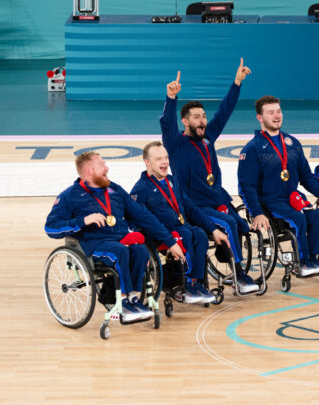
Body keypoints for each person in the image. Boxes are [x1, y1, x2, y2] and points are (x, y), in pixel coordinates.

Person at [45, 152, 185, 322]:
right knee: (120, 251)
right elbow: (51, 227)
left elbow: (143, 216)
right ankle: (123, 302)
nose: (107, 168)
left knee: (140, 250)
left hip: (119, 240)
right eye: (102, 166)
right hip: (94, 245)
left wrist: (169, 242)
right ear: (89, 171)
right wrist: (83, 220)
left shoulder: (115, 190)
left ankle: (133, 298)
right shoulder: (69, 196)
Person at [160, 59, 255, 288]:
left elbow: (224, 112)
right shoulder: (175, 143)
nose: (202, 120)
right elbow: (166, 123)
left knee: (239, 223)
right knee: (229, 223)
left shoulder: (208, 137)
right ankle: (238, 274)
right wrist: (171, 98)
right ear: (185, 121)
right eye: (197, 117)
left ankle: (228, 257)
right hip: (196, 207)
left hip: (215, 200)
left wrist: (237, 83)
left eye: (203, 116)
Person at [238, 95, 319, 276]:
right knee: (298, 219)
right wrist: (257, 212)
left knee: (315, 215)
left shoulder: (292, 143)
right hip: (270, 201)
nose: (276, 116)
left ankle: (313, 259)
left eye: (278, 111)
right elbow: (246, 187)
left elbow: (306, 175)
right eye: (270, 113)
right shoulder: (252, 149)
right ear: (259, 117)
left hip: (292, 197)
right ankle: (303, 262)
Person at [130, 142, 239, 302]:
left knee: (200, 234)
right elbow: (141, 221)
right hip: (161, 235)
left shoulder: (172, 182)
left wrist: (213, 229)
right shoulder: (140, 190)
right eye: (159, 159)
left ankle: (196, 282)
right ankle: (185, 284)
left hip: (181, 227)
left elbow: (191, 208)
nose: (165, 162)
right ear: (147, 162)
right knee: (186, 234)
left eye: (166, 157)